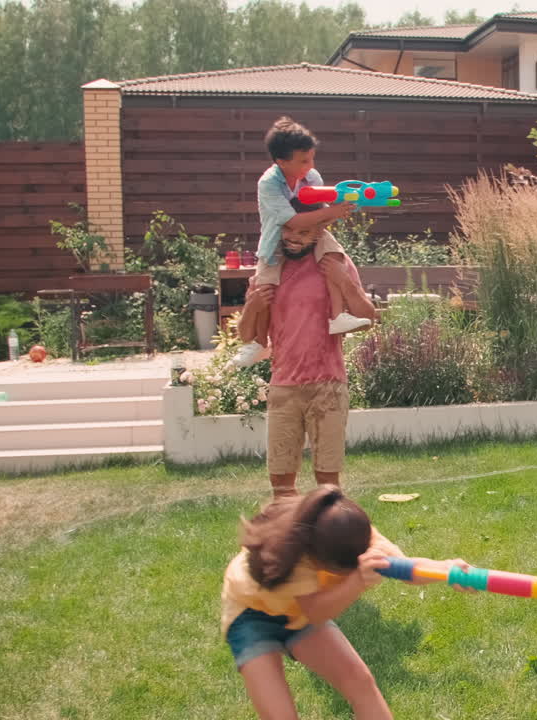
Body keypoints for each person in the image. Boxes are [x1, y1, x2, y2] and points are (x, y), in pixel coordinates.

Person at [221, 485, 467, 720]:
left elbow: (404, 568)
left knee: (360, 682)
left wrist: (447, 569)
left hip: (300, 609)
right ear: (320, 561)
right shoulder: (294, 554)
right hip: (251, 615)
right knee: (281, 715)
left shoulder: (355, 534)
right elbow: (315, 613)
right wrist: (357, 581)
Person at [237, 206, 365, 497]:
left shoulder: (333, 261)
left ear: (318, 230)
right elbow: (246, 336)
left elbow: (366, 318)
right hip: (284, 388)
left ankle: (328, 541)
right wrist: (252, 306)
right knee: (281, 487)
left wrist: (343, 279)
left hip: (328, 386)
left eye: (303, 230)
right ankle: (290, 540)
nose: (293, 237)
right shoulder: (269, 267)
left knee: (328, 486)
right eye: (287, 229)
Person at [230, 116, 377, 368]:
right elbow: (293, 222)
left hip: (312, 230)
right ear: (281, 162)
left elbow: (316, 215)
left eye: (312, 158)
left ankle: (338, 316)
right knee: (264, 288)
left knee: (333, 255)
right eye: (303, 161)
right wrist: (333, 212)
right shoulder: (268, 184)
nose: (310, 166)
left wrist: (339, 209)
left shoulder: (312, 177)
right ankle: (258, 343)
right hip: (276, 239)